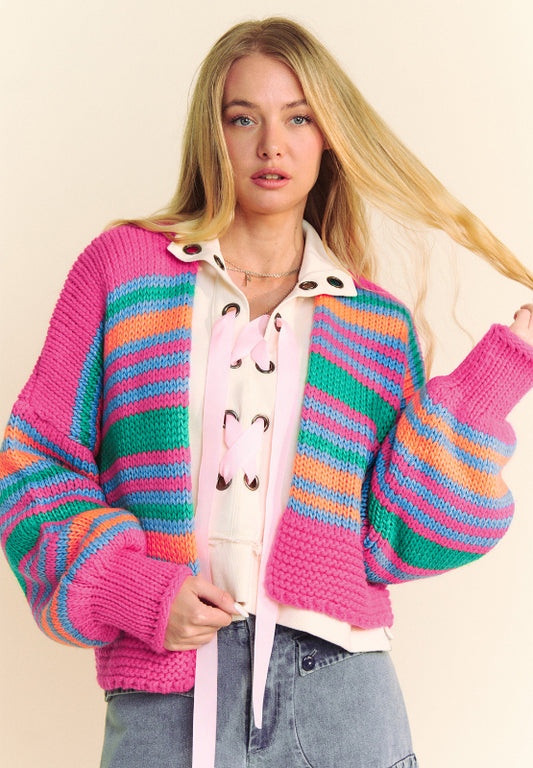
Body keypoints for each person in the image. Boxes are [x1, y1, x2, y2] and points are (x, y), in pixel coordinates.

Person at [1, 16, 532, 768]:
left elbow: (393, 538)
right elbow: (33, 461)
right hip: (165, 695)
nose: (271, 145)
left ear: (328, 138)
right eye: (242, 118)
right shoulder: (122, 272)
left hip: (339, 696)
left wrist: (499, 375)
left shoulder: (375, 325)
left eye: (298, 118)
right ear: (211, 135)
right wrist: (135, 589)